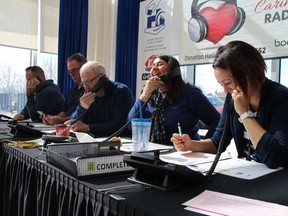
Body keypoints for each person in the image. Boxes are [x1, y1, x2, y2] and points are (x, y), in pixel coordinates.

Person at [171, 40, 288, 168]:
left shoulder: (281, 98)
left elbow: (275, 158)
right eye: (222, 84)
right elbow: (218, 143)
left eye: (227, 82)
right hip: (248, 174)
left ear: (249, 75)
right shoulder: (231, 98)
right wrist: (191, 145)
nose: (225, 90)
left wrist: (244, 114)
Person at [128, 55, 220, 145]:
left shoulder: (190, 93)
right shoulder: (150, 95)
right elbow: (130, 125)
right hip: (153, 151)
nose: (154, 68)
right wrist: (143, 96)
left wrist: (206, 145)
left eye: (159, 64)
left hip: (184, 153)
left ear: (173, 70)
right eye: (153, 66)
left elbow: (216, 120)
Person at [66, 61, 134, 137]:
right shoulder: (87, 93)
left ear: (102, 77)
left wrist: (88, 128)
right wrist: (82, 108)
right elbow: (73, 123)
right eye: (83, 83)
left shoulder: (121, 91)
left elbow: (120, 125)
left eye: (88, 81)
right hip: (94, 140)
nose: (85, 87)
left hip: (118, 141)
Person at [42, 53, 86, 125]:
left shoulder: (89, 90)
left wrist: (61, 120)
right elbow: (64, 112)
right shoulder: (71, 91)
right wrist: (51, 119)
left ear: (84, 68)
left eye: (74, 70)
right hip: (67, 126)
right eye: (69, 72)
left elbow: (82, 116)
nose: (71, 74)